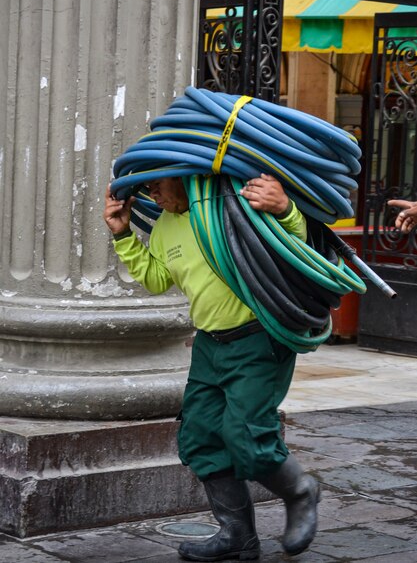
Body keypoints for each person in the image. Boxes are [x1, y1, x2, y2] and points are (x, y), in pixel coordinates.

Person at [103, 173, 320, 561]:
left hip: (258, 337)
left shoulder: (231, 206)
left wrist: (285, 207)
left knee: (247, 436)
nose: (150, 192)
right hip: (209, 344)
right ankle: (238, 535)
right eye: (145, 186)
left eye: (158, 182)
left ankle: (301, 491)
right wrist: (122, 235)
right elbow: (156, 279)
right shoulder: (166, 226)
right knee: (200, 436)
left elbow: (292, 243)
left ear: (186, 177)